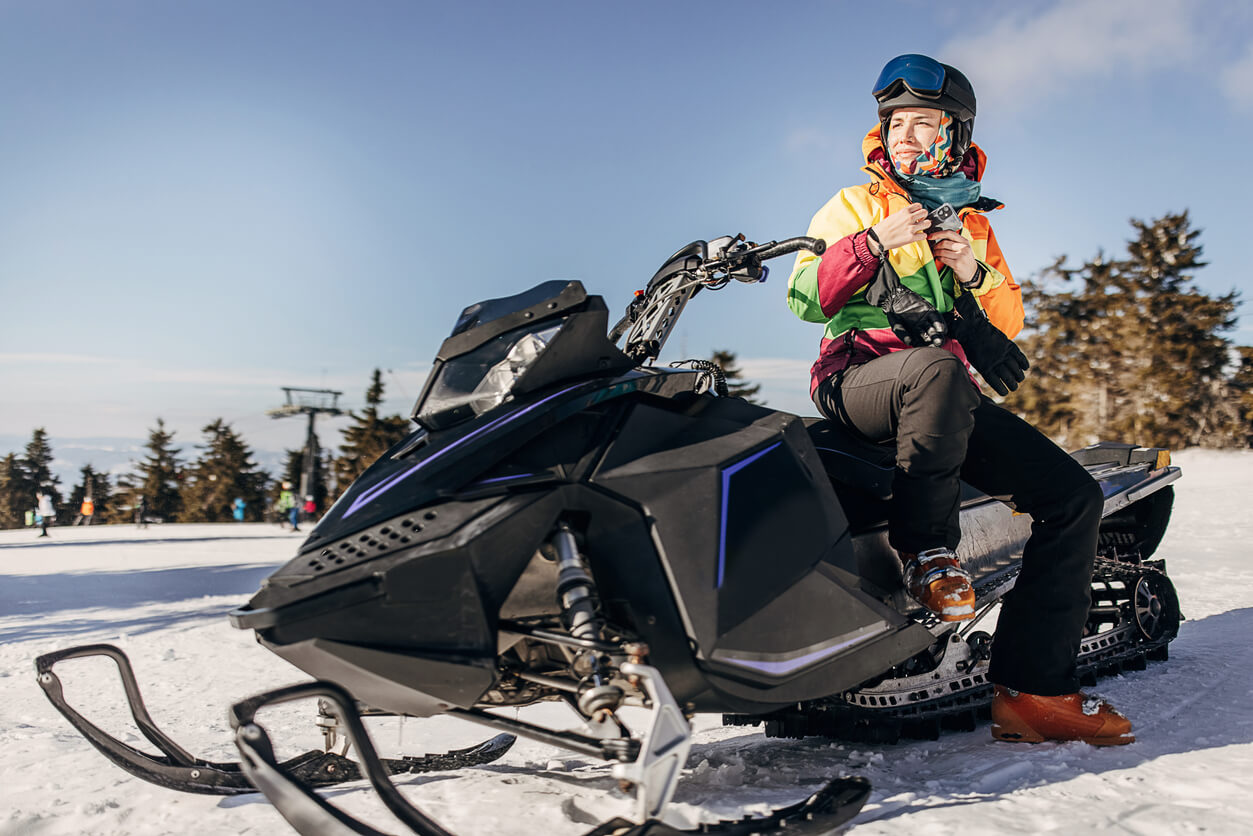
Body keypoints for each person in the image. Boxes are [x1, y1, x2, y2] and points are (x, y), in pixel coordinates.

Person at [787, 54, 1131, 746]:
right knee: (935, 375)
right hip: (859, 380)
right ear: (881, 133)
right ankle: (926, 554)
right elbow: (805, 295)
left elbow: (1006, 323)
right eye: (898, 126)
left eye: (926, 126)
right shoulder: (854, 204)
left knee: (1071, 498)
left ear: (956, 131)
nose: (909, 139)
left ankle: (1034, 694)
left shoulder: (971, 222)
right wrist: (868, 245)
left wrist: (968, 268)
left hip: (946, 395)